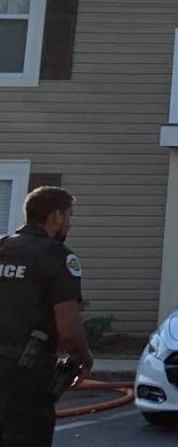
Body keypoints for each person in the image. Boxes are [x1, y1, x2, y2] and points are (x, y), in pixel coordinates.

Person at [0, 187, 91, 447]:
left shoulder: (2, 246)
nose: (70, 223)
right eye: (70, 216)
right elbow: (69, 330)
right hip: (26, 373)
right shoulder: (58, 257)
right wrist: (83, 358)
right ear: (57, 216)